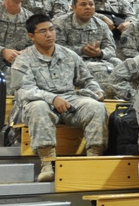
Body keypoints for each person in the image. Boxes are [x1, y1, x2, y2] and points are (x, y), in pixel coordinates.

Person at [10, 14, 108, 182]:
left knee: (96, 108)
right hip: (41, 102)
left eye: (51, 29)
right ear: (31, 36)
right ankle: (47, 163)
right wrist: (52, 98)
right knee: (37, 107)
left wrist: (97, 91)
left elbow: (87, 79)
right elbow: (22, 91)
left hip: (70, 100)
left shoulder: (69, 55)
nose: (49, 34)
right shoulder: (22, 60)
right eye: (43, 31)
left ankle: (94, 158)